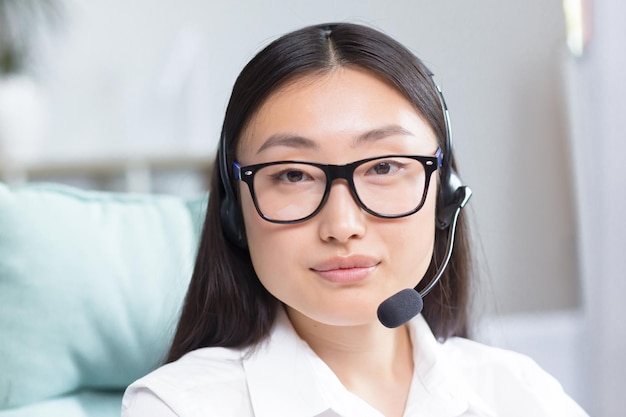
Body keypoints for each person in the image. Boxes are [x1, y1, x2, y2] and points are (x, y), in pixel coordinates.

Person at [122, 22, 588, 417]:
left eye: (383, 167)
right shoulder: (180, 407)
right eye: (292, 174)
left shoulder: (519, 394)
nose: (342, 224)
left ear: (444, 197)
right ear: (234, 209)